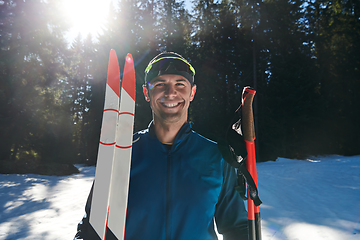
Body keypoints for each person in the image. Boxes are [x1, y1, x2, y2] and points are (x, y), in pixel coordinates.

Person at [74, 52, 249, 240]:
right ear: (146, 93)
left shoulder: (218, 158)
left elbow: (236, 227)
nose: (170, 92)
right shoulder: (120, 154)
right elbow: (91, 225)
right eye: (160, 84)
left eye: (180, 84)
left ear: (192, 92)